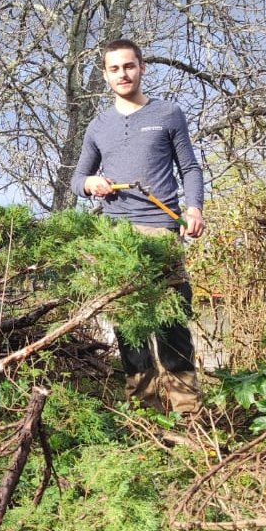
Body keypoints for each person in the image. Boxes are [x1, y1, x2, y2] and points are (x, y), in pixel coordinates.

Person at [70, 38, 205, 415]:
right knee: (130, 327)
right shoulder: (98, 126)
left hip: (162, 231)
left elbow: (190, 169)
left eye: (129, 66)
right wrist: (89, 184)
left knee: (171, 322)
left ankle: (187, 412)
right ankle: (145, 412)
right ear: (105, 75)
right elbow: (77, 178)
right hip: (117, 239)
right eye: (114, 69)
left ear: (142, 68)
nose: (122, 74)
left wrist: (193, 210)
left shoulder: (168, 114)